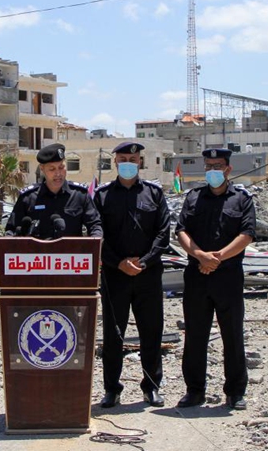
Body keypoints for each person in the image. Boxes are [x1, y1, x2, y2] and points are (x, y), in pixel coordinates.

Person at [174, 148, 256, 411]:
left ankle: (235, 392)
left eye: (218, 166)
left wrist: (217, 257)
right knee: (195, 335)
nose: (213, 171)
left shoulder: (242, 199)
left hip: (228, 277)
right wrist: (199, 255)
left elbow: (247, 234)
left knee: (232, 335)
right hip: (197, 276)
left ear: (228, 169)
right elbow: (181, 230)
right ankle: (194, 391)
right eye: (208, 166)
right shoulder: (194, 197)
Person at [93, 142, 171, 408]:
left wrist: (145, 262)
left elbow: (163, 234)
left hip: (148, 276)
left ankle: (151, 387)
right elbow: (97, 235)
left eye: (133, 158)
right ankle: (112, 389)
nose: (128, 162)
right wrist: (118, 263)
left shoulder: (154, 193)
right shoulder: (102, 196)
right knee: (114, 336)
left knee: (152, 333)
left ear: (140, 162)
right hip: (115, 276)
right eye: (123, 158)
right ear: (115, 162)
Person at [5, 143, 103, 238]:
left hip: (71, 253)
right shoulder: (28, 198)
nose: (58, 173)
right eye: (52, 169)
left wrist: (95, 240)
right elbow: (11, 229)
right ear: (42, 169)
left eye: (61, 167)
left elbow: (95, 225)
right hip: (38, 254)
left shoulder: (80, 195)